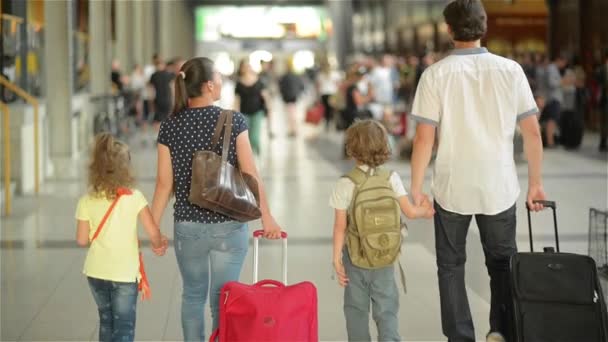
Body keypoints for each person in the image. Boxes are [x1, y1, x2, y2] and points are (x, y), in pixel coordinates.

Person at [409, 1, 546, 341]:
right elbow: (532, 132)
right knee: (502, 264)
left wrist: (415, 189)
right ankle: (501, 331)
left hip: (452, 187)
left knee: (451, 267)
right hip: (498, 185)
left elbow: (424, 139)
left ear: (449, 29)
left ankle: (460, 336)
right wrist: (536, 184)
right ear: (484, 27)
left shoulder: (435, 74)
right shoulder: (510, 70)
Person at [150, 57, 282, 342]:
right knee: (223, 299)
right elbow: (251, 173)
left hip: (188, 227)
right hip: (228, 226)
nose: (223, 82)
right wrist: (266, 215)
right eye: (220, 77)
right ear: (209, 86)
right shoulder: (233, 121)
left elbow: (163, 184)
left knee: (192, 296)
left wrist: (154, 228)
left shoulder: (170, 126)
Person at [330, 120, 434, 341]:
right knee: (386, 310)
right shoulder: (391, 178)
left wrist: (336, 259)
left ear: (352, 149)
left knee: (356, 311)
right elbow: (409, 212)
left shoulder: (345, 183)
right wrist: (425, 211)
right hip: (385, 256)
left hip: (355, 258)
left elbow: (340, 227)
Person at [75, 133, 168, 342]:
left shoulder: (86, 200)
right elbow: (153, 233)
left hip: (96, 272)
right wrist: (159, 244)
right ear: (126, 168)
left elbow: (81, 240)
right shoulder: (133, 197)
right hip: (124, 274)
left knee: (106, 321)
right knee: (124, 327)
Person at [234, 60, 271, 155]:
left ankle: (256, 150)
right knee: (246, 135)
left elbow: (265, 96)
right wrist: (235, 113)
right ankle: (249, 154)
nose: (247, 69)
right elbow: (237, 100)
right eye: (245, 67)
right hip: (244, 112)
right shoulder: (239, 83)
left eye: (248, 67)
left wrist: (269, 108)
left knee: (255, 136)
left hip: (257, 111)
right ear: (241, 69)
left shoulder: (259, 81)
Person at [149, 57, 175, 133]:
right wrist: (173, 100)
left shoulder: (153, 75)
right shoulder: (170, 75)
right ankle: (167, 135)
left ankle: (159, 137)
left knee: (157, 120)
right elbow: (172, 88)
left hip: (158, 99)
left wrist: (151, 103)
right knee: (168, 118)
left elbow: (152, 91)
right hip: (168, 99)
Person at [279, 60, 305, 137]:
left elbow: (281, 87)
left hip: (288, 98)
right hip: (294, 97)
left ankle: (293, 130)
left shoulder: (284, 76)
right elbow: (301, 86)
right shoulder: (296, 76)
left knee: (290, 115)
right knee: (292, 114)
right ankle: (293, 130)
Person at [317, 60, 342, 130]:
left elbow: (318, 87)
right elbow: (338, 85)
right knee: (332, 109)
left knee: (326, 110)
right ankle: (333, 123)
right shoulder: (335, 74)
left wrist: (318, 96)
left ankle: (327, 123)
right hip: (332, 94)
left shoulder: (321, 75)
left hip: (324, 94)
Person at [596, 52, 608, 152]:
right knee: (604, 122)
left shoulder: (601, 69)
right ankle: (603, 142)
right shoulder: (601, 69)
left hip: (604, 99)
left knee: (604, 122)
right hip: (604, 99)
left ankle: (603, 142)